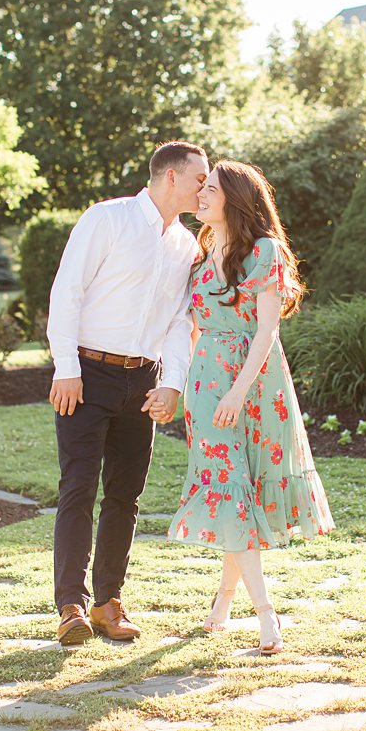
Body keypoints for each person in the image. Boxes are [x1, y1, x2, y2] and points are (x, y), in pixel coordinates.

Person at [154, 160, 334, 655]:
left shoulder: (264, 251)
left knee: (244, 491)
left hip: (255, 384)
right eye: (202, 188)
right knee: (230, 491)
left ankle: (223, 604)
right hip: (206, 385)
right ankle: (265, 616)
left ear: (234, 198)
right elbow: (185, 328)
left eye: (210, 189)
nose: (201, 196)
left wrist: (238, 391)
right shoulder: (199, 256)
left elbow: (267, 330)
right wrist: (178, 383)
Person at [47, 141, 208, 645]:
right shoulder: (106, 219)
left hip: (144, 381)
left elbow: (182, 321)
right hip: (86, 375)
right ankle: (70, 605)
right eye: (200, 178)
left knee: (126, 496)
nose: (206, 187)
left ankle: (107, 604)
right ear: (171, 178)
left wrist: (171, 383)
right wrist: (66, 367)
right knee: (78, 487)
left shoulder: (188, 245)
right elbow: (66, 290)